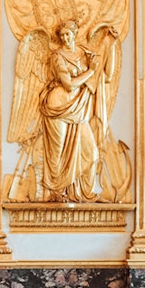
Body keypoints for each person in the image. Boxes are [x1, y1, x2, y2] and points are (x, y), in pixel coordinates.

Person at [39, 20, 100, 202]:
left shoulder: (83, 53)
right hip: (57, 106)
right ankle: (57, 192)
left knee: (92, 153)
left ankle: (84, 194)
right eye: (62, 35)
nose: (65, 38)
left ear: (75, 34)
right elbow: (68, 84)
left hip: (77, 108)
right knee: (57, 152)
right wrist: (90, 72)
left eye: (68, 34)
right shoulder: (57, 57)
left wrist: (110, 44)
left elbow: (106, 73)